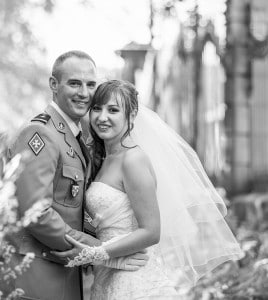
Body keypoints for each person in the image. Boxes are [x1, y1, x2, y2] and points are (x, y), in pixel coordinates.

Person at [52, 80, 243, 299]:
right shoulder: (105, 158)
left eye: (113, 110)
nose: (102, 117)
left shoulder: (133, 160)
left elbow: (151, 231)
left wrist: (94, 253)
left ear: (131, 115)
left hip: (135, 280)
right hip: (108, 274)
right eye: (97, 108)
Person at [7, 53, 148, 300]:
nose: (84, 92)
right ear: (54, 85)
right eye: (74, 83)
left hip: (63, 269)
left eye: (90, 84)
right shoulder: (40, 133)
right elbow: (36, 213)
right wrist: (100, 250)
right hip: (35, 274)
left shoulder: (74, 137)